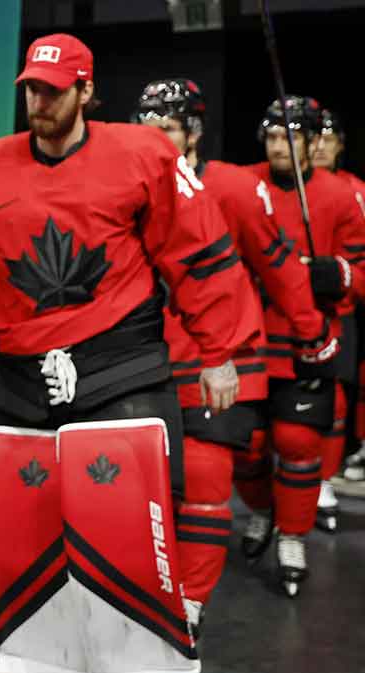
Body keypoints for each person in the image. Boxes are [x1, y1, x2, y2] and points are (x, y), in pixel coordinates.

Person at [0, 34, 259, 671]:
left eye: (52, 90)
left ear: (85, 91)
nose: (38, 102)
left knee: (128, 538)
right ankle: (37, 656)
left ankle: (149, 658)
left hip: (120, 369)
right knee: (28, 539)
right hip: (20, 382)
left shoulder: (144, 156)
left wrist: (219, 352)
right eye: (30, 90)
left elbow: (198, 256)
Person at [132, 79, 337, 619]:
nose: (154, 139)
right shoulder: (123, 183)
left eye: (168, 128)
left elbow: (276, 264)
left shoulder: (232, 187)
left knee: (209, 481)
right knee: (139, 492)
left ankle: (191, 609)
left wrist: (312, 330)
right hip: (139, 362)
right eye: (145, 127)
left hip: (213, 359)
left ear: (194, 133)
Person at [235, 96, 365, 594]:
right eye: (270, 137)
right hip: (248, 335)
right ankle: (264, 511)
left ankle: (293, 535)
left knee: (297, 442)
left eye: (289, 137)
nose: (278, 147)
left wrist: (339, 273)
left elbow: (362, 274)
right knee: (245, 447)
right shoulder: (243, 185)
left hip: (308, 338)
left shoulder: (342, 196)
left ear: (314, 142)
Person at [312, 107, 365, 486]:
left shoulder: (357, 191)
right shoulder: (287, 187)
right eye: (316, 139)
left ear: (340, 145)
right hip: (290, 309)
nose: (320, 148)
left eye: (329, 140)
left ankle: (326, 481)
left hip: (342, 308)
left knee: (338, 397)